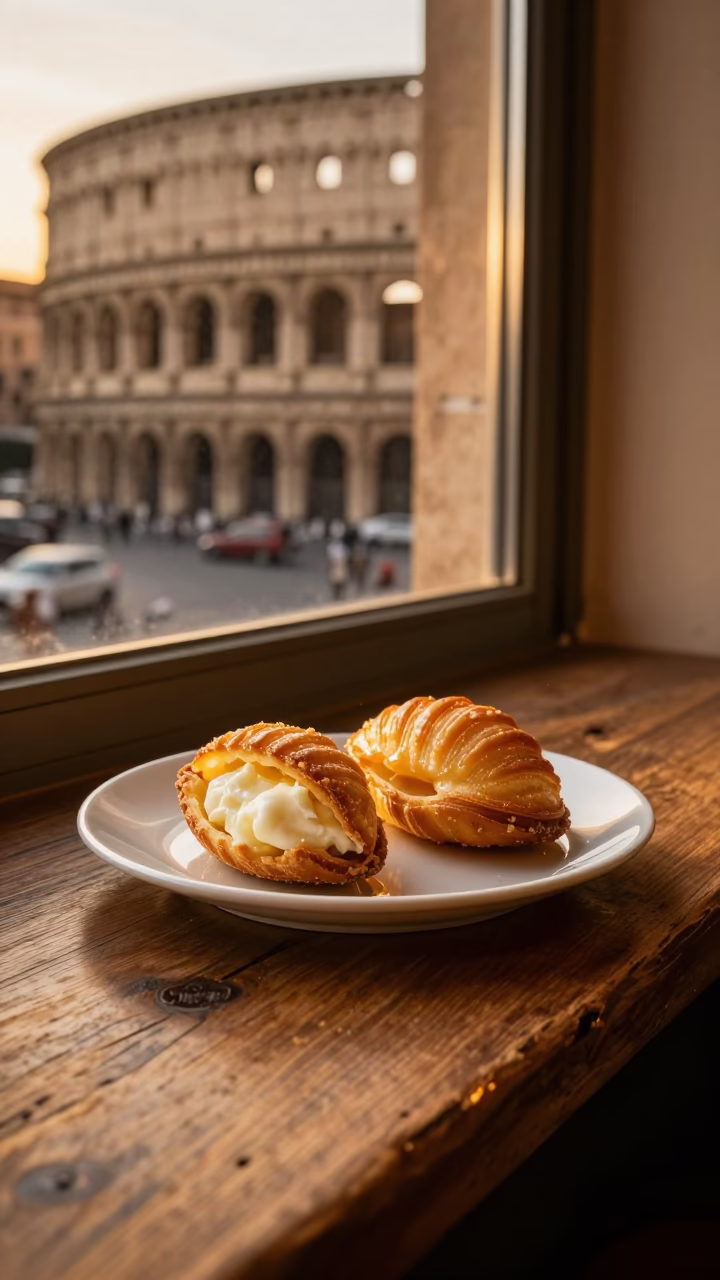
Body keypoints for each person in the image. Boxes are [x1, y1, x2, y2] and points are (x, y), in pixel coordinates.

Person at [326, 537, 350, 602]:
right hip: (335, 565)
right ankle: (336, 596)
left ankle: (341, 596)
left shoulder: (343, 547)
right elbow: (330, 558)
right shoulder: (331, 547)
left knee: (342, 582)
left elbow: (346, 557)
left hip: (341, 565)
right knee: (335, 582)